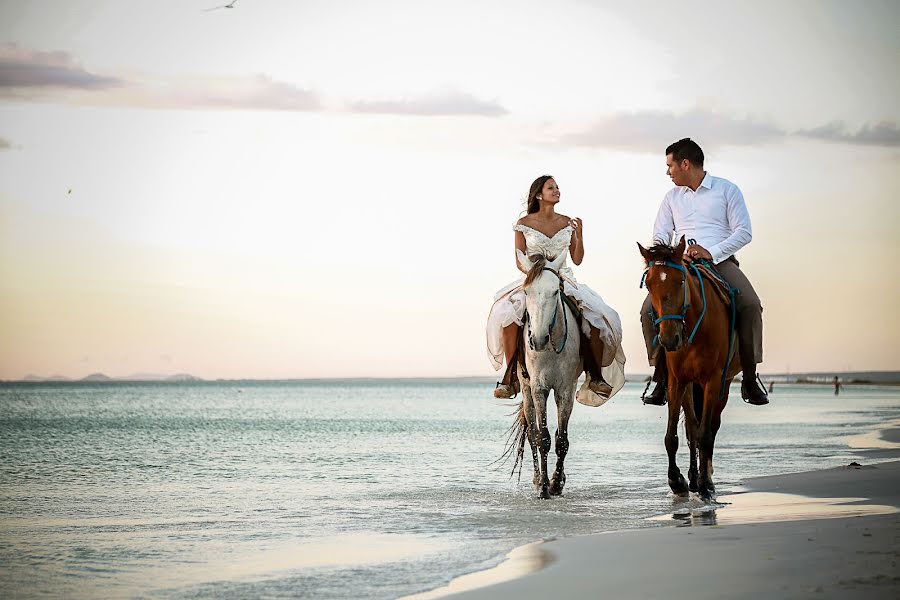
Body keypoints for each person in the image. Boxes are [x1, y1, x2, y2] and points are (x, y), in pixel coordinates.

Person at [640, 138, 769, 406]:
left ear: (685, 164)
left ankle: (749, 377)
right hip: (680, 264)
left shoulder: (727, 190)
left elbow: (744, 232)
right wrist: (673, 253)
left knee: (750, 305)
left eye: (670, 165)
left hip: (719, 262)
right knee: (647, 310)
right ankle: (660, 377)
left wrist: (711, 252)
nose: (668, 172)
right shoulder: (671, 198)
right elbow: (660, 233)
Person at [487, 175, 626, 405]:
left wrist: (579, 236)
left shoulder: (567, 222)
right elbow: (519, 260)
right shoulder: (524, 223)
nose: (557, 190)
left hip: (563, 278)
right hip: (533, 279)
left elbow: (577, 259)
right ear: (539, 194)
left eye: (558, 187)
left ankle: (594, 375)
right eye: (551, 188)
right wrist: (537, 273)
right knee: (508, 315)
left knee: (595, 317)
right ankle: (510, 376)